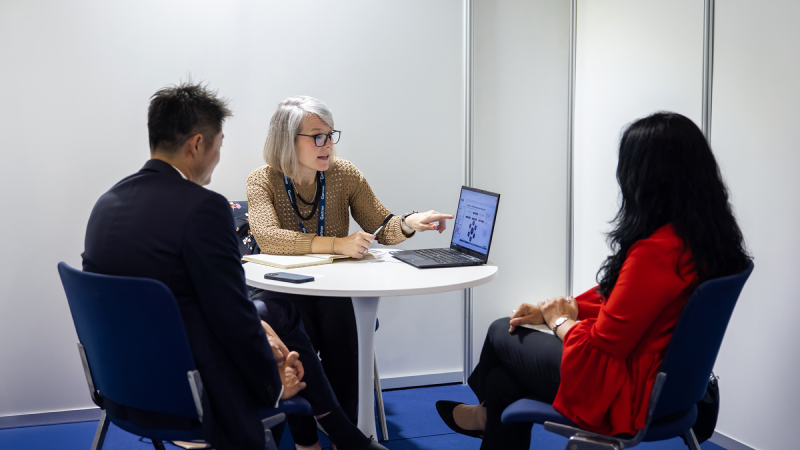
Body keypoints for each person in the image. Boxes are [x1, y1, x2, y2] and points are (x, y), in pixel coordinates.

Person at [82, 82, 388, 450]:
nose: (218, 156)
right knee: (282, 312)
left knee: (274, 312)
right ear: (197, 144)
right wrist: (272, 379)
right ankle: (341, 431)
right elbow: (229, 316)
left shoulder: (105, 205)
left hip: (122, 385)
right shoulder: (202, 208)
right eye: (219, 144)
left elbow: (176, 303)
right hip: (190, 390)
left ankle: (334, 433)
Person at [435, 112, 751, 450]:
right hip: (673, 386)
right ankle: (489, 411)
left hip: (626, 391)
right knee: (503, 381)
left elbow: (602, 347)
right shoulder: (704, 242)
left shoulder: (657, 251)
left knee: (501, 330)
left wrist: (557, 319)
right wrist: (567, 307)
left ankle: (486, 414)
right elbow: (629, 305)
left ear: (646, 177)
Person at [246, 95, 453, 449]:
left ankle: (344, 429)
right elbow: (268, 238)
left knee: (346, 325)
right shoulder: (262, 180)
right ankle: (306, 438)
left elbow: (381, 225)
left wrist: (409, 223)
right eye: (317, 136)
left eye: (330, 134)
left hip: (333, 289)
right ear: (287, 140)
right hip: (285, 289)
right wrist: (337, 244)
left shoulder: (345, 174)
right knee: (296, 335)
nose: (327, 145)